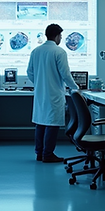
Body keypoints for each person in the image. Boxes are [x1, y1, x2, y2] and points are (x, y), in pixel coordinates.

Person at [27, 23, 80, 163]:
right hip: (54, 93)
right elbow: (65, 74)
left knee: (40, 123)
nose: (61, 38)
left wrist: (39, 82)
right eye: (60, 36)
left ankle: (39, 153)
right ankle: (48, 154)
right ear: (56, 36)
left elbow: (29, 72)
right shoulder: (59, 52)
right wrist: (75, 88)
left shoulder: (36, 51)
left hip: (40, 93)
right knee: (52, 124)